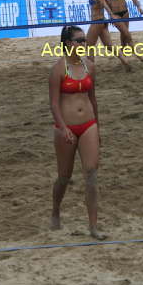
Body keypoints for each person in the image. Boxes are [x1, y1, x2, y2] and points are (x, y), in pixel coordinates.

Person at [49, 25, 106, 240]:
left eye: (84, 40)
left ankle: (93, 226)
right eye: (79, 40)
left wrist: (97, 128)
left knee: (91, 174)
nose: (83, 44)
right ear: (67, 44)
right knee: (64, 176)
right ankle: (56, 210)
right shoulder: (58, 70)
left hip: (88, 124)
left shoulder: (89, 66)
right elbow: (54, 104)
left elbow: (93, 99)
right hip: (67, 127)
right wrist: (63, 128)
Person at [81, 0, 130, 71]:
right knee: (109, 46)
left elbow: (103, 3)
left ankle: (90, 70)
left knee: (89, 47)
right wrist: (112, 13)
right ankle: (125, 62)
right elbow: (108, 1)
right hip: (102, 22)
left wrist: (112, 15)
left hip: (97, 22)